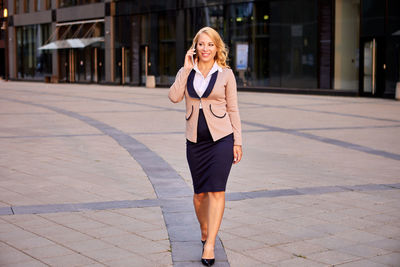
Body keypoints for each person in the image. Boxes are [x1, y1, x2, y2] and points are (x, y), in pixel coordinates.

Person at [168, 26, 242, 266]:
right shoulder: (187, 71)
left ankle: (210, 244)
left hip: (222, 139)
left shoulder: (226, 74)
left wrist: (237, 141)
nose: (206, 48)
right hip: (195, 142)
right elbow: (173, 96)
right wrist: (186, 69)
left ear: (217, 47)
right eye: (201, 44)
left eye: (210, 44)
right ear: (195, 47)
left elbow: (233, 109)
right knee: (199, 195)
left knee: (217, 191)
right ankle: (204, 228)